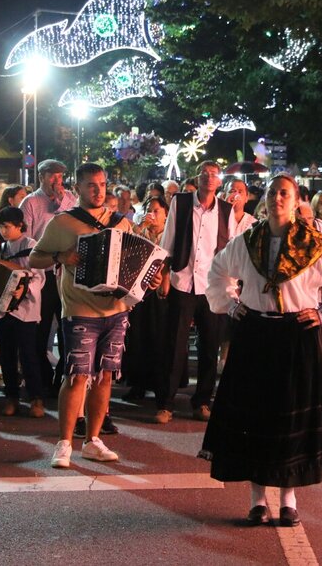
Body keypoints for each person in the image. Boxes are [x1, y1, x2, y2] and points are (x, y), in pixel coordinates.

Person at [202, 173, 322, 527]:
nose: (277, 198)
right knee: (255, 418)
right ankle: (258, 500)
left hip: (297, 335)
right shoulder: (248, 241)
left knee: (290, 419)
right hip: (255, 333)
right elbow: (216, 272)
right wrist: (231, 305)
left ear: (295, 201)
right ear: (265, 199)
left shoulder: (314, 243)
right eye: (273, 192)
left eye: (285, 193)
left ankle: (289, 499)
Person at [29, 163, 164, 469]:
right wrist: (61, 257)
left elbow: (135, 265)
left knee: (105, 376)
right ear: (77, 188)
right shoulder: (63, 222)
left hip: (116, 310)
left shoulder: (121, 223)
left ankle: (93, 440)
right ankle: (64, 442)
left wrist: (150, 279)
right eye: (91, 185)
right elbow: (35, 257)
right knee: (77, 375)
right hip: (80, 309)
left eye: (102, 184)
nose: (98, 190)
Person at [157, 160, 235, 423]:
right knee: (174, 344)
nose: (209, 178)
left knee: (210, 346)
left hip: (211, 286)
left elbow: (230, 250)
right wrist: (164, 275)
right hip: (182, 280)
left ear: (219, 181)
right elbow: (167, 242)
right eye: (205, 173)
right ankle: (165, 403)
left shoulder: (225, 210)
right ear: (197, 177)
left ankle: (202, 401)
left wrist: (230, 287)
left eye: (214, 174)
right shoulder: (180, 203)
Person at [20, 159, 77, 399]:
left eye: (60, 176)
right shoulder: (31, 202)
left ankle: (62, 377)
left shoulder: (70, 199)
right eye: (52, 176)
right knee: (40, 330)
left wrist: (61, 202)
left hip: (66, 272)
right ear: (41, 176)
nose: (57, 181)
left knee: (67, 328)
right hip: (43, 273)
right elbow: (27, 239)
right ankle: (41, 377)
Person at [0, 207, 46, 418]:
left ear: (19, 225)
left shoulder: (31, 246)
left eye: (6, 226)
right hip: (3, 310)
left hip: (25, 311)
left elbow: (39, 277)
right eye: (0, 227)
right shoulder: (1, 248)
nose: (3, 231)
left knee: (28, 354)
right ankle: (11, 397)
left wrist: (25, 288)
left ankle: (36, 398)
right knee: (6, 355)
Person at [123, 195, 170, 401]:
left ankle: (161, 385)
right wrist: (141, 226)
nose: (152, 215)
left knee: (159, 337)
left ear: (166, 214)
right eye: (149, 210)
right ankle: (137, 384)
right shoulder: (140, 232)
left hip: (161, 291)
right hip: (139, 290)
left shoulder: (170, 234)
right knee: (138, 337)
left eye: (157, 211)